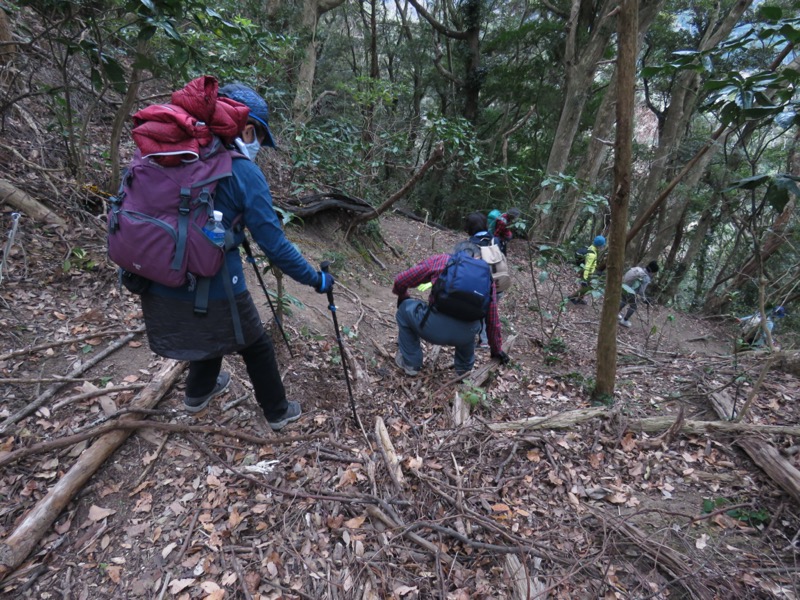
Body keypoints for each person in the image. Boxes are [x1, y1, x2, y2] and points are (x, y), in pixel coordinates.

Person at [136, 80, 334, 431]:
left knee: (211, 325)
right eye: (257, 136)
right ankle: (278, 412)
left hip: (156, 278)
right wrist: (315, 279)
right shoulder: (242, 171)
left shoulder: (165, 154)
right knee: (255, 343)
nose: (258, 145)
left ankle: (198, 393)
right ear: (246, 127)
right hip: (211, 282)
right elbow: (275, 245)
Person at [392, 241, 509, 376]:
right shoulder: (486, 276)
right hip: (466, 335)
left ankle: (411, 364)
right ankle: (463, 371)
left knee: (405, 308)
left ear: (456, 252)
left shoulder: (443, 261)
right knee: (473, 321)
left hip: (432, 329)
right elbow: (492, 321)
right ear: (478, 256)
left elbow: (401, 280)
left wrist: (402, 295)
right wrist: (496, 350)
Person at [618, 261, 659, 328]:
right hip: (631, 292)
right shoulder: (646, 277)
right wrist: (644, 299)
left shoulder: (637, 269)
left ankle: (614, 313)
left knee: (623, 300)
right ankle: (624, 320)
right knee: (633, 306)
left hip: (624, 287)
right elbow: (641, 292)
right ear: (652, 272)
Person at [569, 235, 606, 305]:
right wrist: (585, 279)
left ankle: (580, 299)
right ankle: (571, 297)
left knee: (585, 288)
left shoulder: (592, 248)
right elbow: (587, 267)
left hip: (589, 273)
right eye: (602, 246)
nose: (603, 247)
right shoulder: (592, 254)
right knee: (585, 288)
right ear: (599, 246)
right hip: (587, 274)